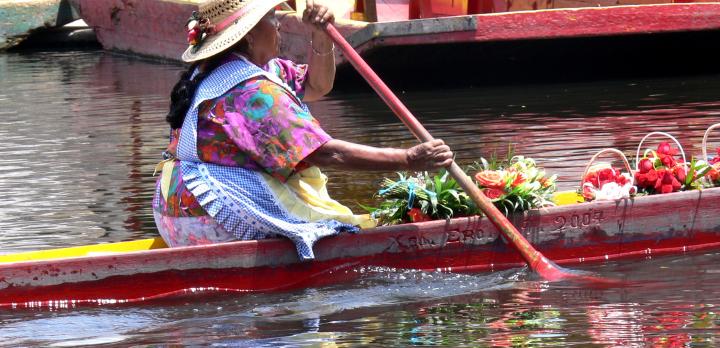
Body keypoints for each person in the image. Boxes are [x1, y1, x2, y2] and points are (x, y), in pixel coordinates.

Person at [152, 0, 453, 260]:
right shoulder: (252, 91)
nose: (278, 25)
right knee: (333, 227)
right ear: (250, 34)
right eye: (271, 18)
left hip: (175, 214)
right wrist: (408, 158)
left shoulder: (227, 70)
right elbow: (327, 154)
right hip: (206, 220)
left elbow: (317, 85)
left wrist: (320, 36)